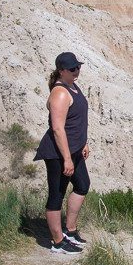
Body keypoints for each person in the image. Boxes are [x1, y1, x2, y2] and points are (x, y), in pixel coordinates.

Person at [33, 52, 91, 254]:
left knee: (82, 185)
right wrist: (67, 158)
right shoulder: (60, 93)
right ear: (62, 70)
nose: (77, 71)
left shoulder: (73, 86)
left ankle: (70, 230)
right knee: (56, 194)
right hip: (58, 152)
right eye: (73, 69)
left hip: (74, 148)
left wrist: (83, 143)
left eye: (78, 67)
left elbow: (76, 120)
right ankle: (57, 242)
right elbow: (58, 129)